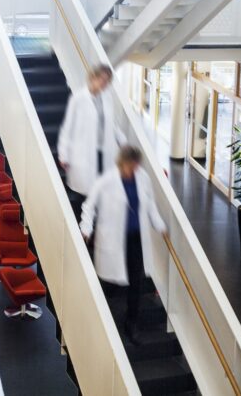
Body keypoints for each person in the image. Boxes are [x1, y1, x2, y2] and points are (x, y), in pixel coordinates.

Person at [80, 145, 166, 343]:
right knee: (110, 284)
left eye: (136, 166)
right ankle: (99, 324)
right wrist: (86, 227)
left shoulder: (142, 178)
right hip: (113, 239)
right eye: (130, 166)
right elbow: (89, 205)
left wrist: (159, 224)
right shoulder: (107, 180)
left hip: (135, 238)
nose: (133, 170)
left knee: (135, 282)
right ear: (122, 163)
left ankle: (131, 323)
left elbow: (150, 204)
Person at [57, 64, 120, 217]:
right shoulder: (78, 98)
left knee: (101, 191)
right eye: (102, 79)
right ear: (93, 78)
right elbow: (68, 127)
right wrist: (63, 154)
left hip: (102, 151)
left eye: (107, 81)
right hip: (83, 153)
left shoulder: (107, 97)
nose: (105, 83)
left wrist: (122, 143)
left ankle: (94, 228)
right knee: (83, 195)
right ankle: (82, 233)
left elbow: (112, 125)